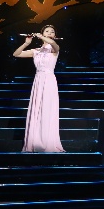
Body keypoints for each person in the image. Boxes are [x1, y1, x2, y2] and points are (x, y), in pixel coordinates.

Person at [13, 25, 65, 153]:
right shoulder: (36, 51)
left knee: (47, 109)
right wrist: (26, 43)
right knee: (37, 109)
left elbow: (53, 44)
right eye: (47, 31)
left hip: (49, 81)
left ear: (54, 35)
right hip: (38, 81)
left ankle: (47, 142)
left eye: (52, 32)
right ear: (42, 34)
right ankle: (34, 141)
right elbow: (16, 54)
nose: (50, 33)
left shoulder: (54, 49)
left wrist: (42, 36)